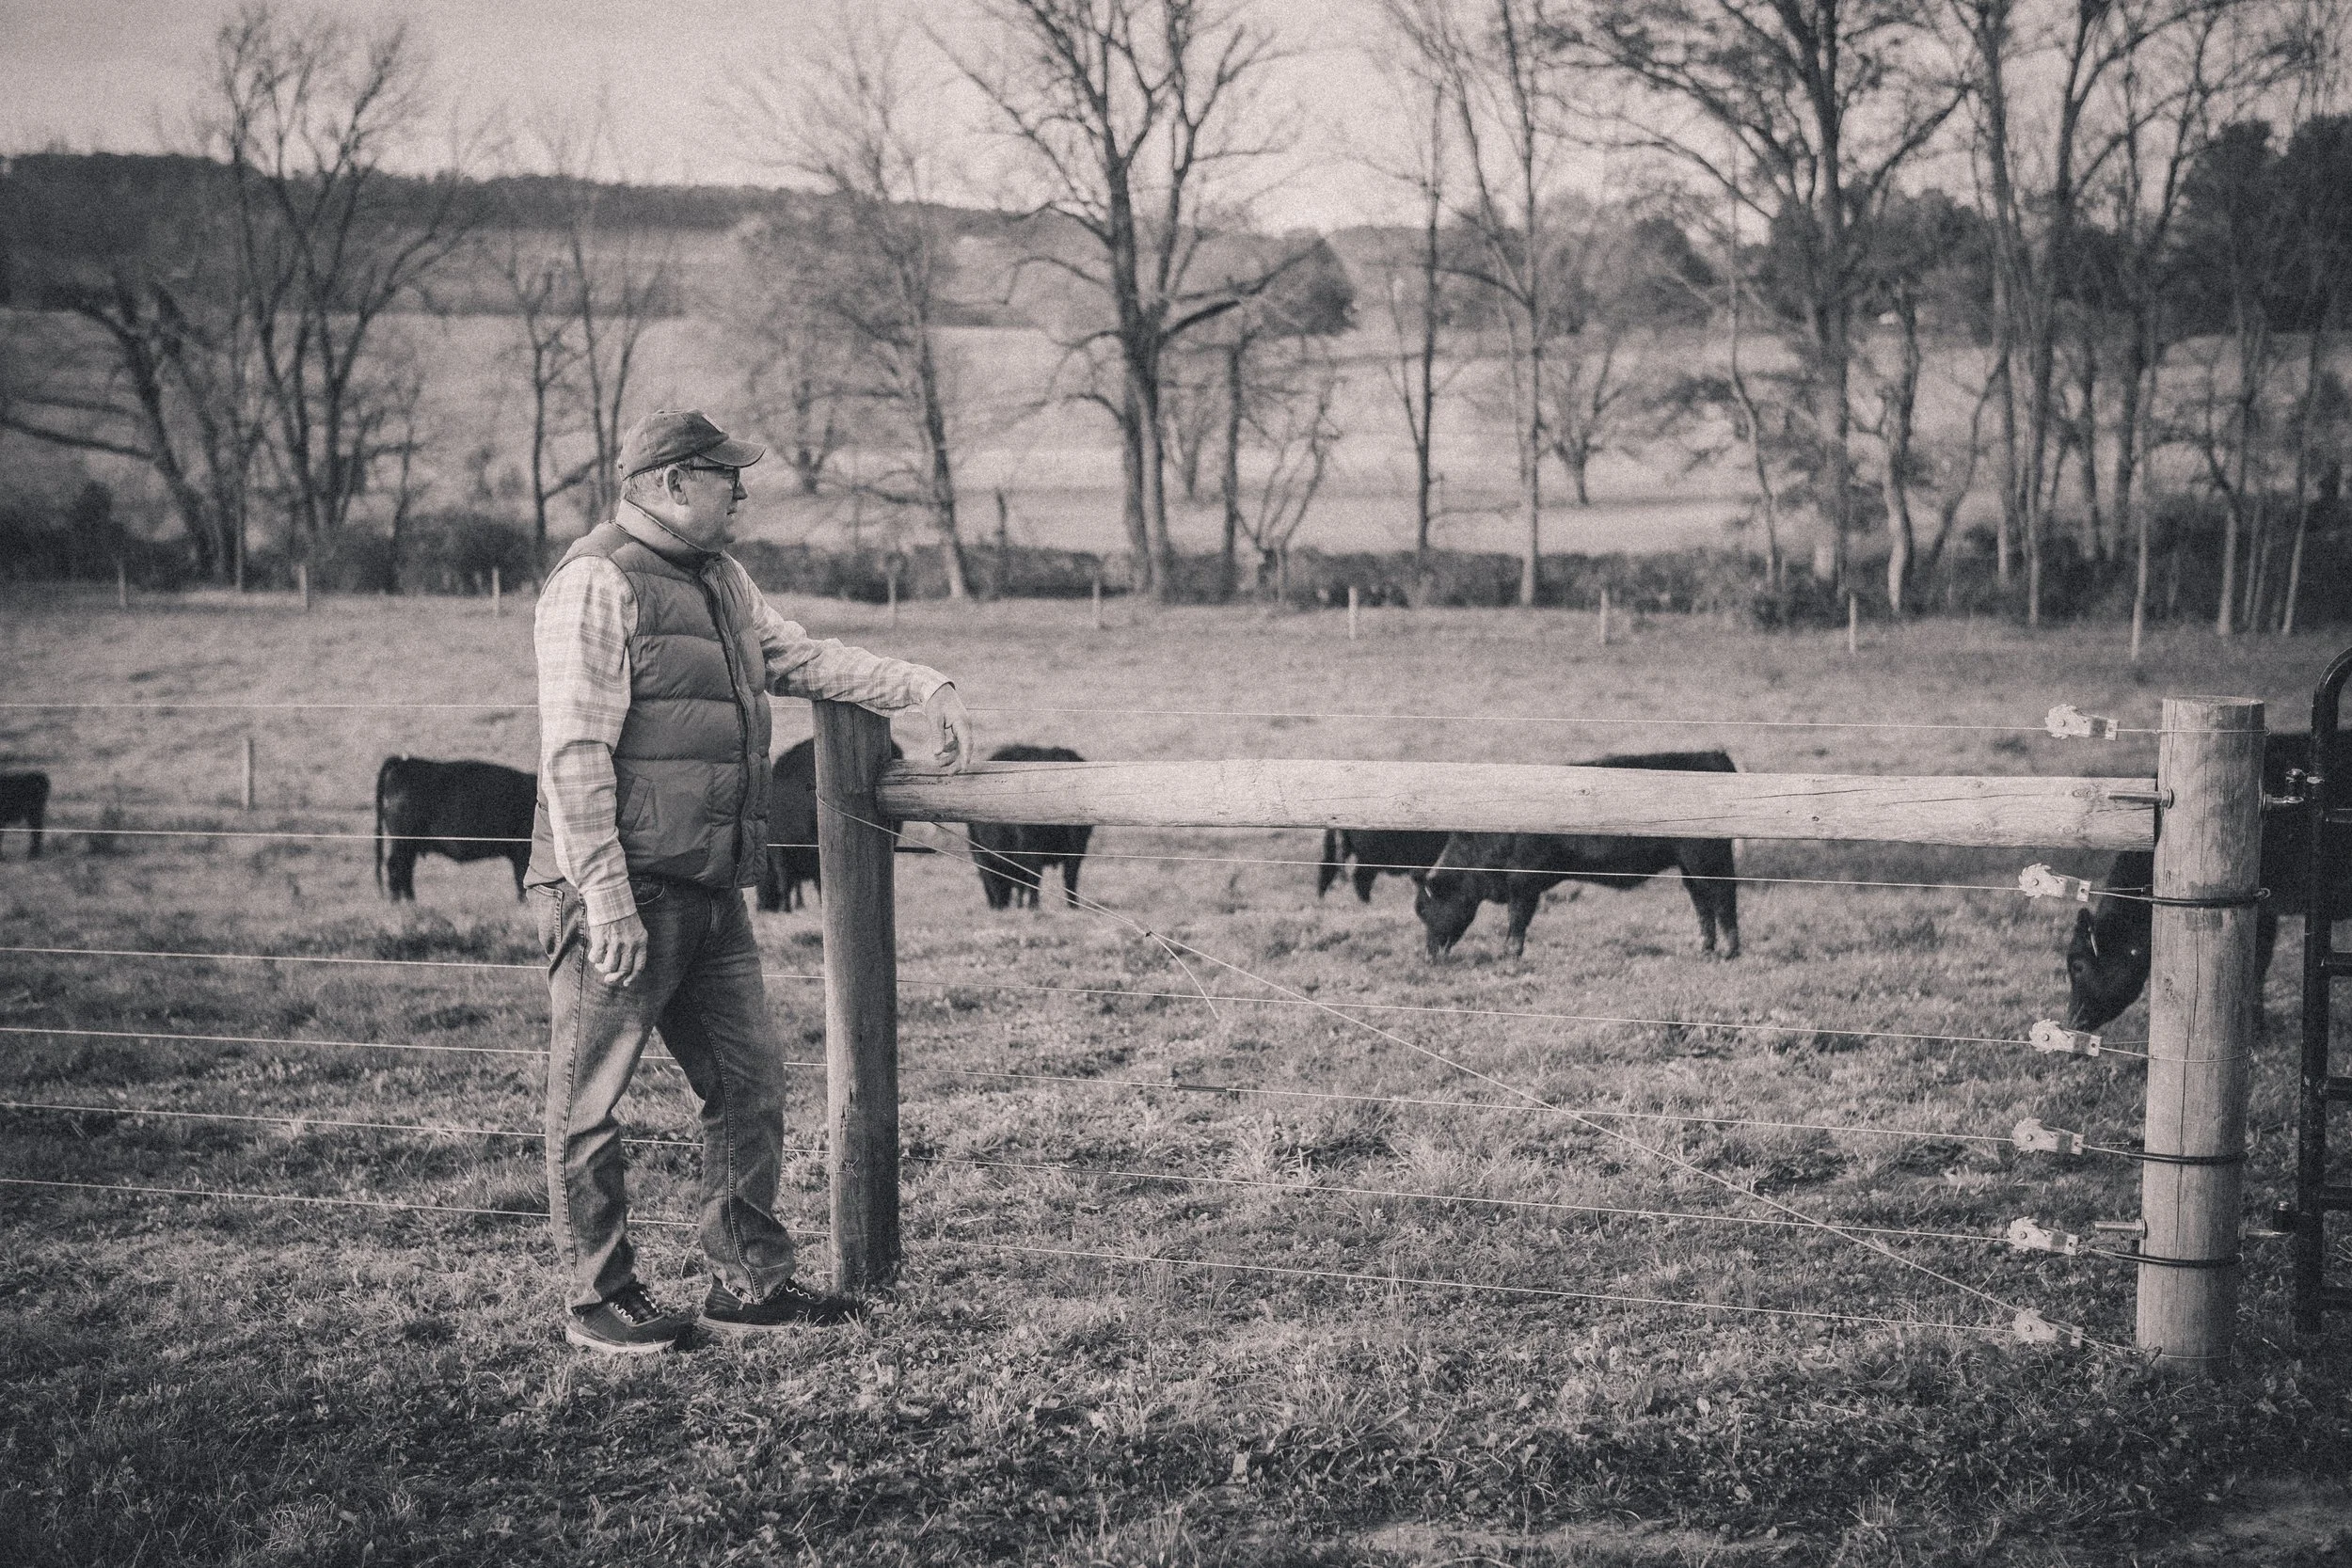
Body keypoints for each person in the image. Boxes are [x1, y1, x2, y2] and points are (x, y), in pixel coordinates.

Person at [527, 407, 973, 1354]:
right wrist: (604, 897)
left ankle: (747, 1285)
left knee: (750, 1083)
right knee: (589, 1098)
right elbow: (573, 754)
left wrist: (920, 683)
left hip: (711, 884)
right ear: (672, 483)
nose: (742, 490)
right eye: (726, 475)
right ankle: (598, 1297)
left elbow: (799, 657)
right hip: (625, 890)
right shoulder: (595, 581)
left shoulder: (721, 578)